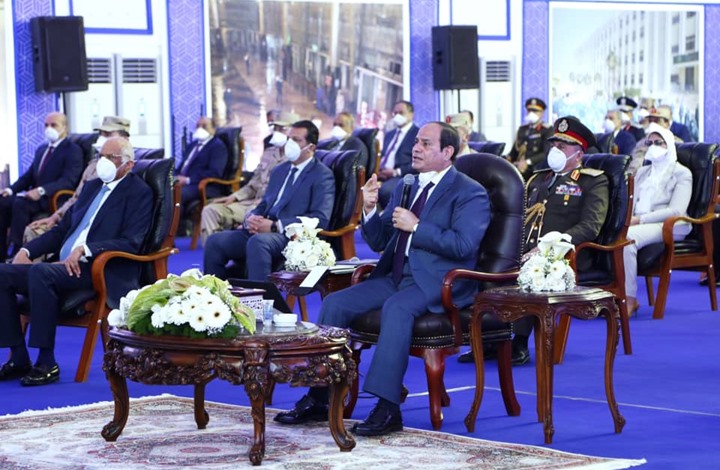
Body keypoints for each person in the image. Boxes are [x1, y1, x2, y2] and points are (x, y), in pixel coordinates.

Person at [274, 122, 490, 436]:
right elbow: (379, 241)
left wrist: (417, 227)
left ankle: (388, 408)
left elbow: (463, 245)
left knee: (397, 308)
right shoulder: (408, 185)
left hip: (438, 281)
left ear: (447, 152)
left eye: (425, 143)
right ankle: (320, 395)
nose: (416, 148)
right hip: (396, 275)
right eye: (416, 142)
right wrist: (370, 209)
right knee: (335, 304)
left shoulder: (470, 192)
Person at [0, 137, 152, 386]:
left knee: (41, 273)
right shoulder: (92, 187)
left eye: (111, 157)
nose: (103, 162)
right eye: (101, 156)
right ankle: (18, 357)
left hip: (98, 268)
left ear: (128, 165)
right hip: (63, 266)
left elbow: (132, 242)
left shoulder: (139, 193)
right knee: (3, 272)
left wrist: (85, 249)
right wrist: (26, 250)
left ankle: (46, 362)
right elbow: (61, 230)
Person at [459, 116, 609, 365]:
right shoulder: (537, 179)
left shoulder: (593, 181)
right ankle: (490, 339)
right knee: (485, 265)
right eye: (554, 145)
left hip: (564, 255)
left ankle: (518, 343)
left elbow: (590, 226)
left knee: (531, 269)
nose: (555, 150)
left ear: (579, 154)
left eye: (562, 146)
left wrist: (550, 247)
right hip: (522, 248)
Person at [203, 120, 335, 281]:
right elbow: (265, 203)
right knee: (215, 241)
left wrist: (275, 226)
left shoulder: (322, 175)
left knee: (258, 242)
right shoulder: (280, 170)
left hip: (291, 236)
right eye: (289, 138)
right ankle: (216, 292)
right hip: (262, 231)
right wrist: (251, 218)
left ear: (311, 147)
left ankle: (261, 296)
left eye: (296, 140)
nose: (290, 143)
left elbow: (320, 218)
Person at [24, 115, 132, 246]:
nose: (101, 138)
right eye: (100, 134)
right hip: (74, 220)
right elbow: (76, 197)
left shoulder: (126, 169)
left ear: (124, 139)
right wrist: (55, 217)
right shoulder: (92, 166)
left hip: (94, 231)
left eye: (108, 134)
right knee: (32, 231)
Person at [624, 123, 692, 315]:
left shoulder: (682, 173)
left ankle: (629, 298)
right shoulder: (642, 172)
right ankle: (609, 295)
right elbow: (631, 202)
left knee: (627, 238)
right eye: (650, 143)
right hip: (638, 222)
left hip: (669, 225)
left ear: (669, 145)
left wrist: (640, 219)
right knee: (611, 233)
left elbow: (677, 210)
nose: (653, 147)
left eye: (658, 143)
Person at [199, 115, 295, 245]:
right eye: (275, 128)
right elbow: (253, 184)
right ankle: (212, 254)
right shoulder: (269, 152)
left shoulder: (296, 157)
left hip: (267, 208)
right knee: (210, 211)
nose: (277, 132)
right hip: (250, 202)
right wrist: (234, 197)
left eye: (282, 129)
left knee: (251, 218)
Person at [0, 112, 83, 257]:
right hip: (34, 198)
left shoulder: (73, 150)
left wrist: (42, 190)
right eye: (46, 125)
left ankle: (17, 251)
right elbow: (28, 177)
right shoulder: (42, 149)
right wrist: (10, 190)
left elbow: (69, 180)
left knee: (20, 203)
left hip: (53, 198)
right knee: (3, 201)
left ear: (64, 127)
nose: (49, 128)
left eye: (54, 125)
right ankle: (1, 251)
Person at [176, 116, 228, 206]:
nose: (200, 129)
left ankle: (175, 216)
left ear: (213, 129)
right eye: (197, 126)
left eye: (204, 126)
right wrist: (173, 177)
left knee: (178, 193)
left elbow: (214, 172)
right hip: (183, 182)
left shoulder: (218, 147)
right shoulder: (192, 145)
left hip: (203, 185)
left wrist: (188, 180)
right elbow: (181, 167)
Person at [377, 100, 419, 208]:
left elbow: (419, 162)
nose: (397, 116)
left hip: (402, 175)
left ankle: (387, 217)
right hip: (381, 172)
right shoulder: (389, 134)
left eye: (401, 113)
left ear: (411, 114)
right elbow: (383, 155)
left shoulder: (418, 135)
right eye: (395, 113)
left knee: (386, 191)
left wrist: (396, 172)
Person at [507, 98, 553, 179]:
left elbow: (545, 153)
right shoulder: (522, 129)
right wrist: (506, 160)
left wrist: (527, 162)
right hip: (518, 167)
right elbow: (513, 152)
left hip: (535, 169)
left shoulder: (547, 130)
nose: (531, 113)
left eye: (535, 111)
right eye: (529, 110)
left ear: (542, 113)